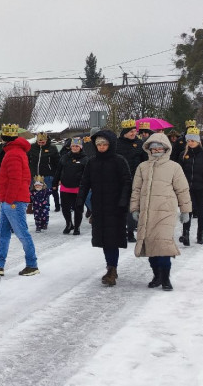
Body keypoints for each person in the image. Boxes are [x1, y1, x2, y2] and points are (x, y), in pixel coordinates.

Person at [130, 133, 192, 291]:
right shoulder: (142, 167)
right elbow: (136, 190)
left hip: (165, 211)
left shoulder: (174, 167)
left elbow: (183, 190)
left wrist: (186, 211)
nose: (156, 150)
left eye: (159, 147)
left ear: (166, 149)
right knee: (150, 245)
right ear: (149, 150)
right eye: (153, 148)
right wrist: (135, 208)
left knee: (163, 244)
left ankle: (165, 278)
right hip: (147, 212)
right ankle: (156, 275)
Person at [78, 129, 132, 287]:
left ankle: (112, 269)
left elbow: (127, 182)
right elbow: (85, 182)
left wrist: (123, 201)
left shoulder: (119, 161)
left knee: (112, 240)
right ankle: (110, 265)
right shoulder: (92, 162)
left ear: (111, 144)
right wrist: (80, 200)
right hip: (99, 206)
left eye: (104, 144)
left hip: (115, 207)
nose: (101, 147)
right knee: (103, 239)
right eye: (98, 144)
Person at [0, 124, 40, 277]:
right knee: (3, 232)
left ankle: (32, 265)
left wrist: (9, 200)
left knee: (22, 233)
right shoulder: (15, 151)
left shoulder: (13, 153)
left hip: (13, 201)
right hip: (10, 200)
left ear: (4, 138)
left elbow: (15, 179)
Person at [178, 121, 203, 246]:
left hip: (201, 188)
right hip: (187, 188)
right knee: (187, 211)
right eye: (188, 141)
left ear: (198, 141)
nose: (190, 143)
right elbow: (179, 171)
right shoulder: (183, 154)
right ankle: (186, 235)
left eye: (193, 141)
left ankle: (200, 235)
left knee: (201, 211)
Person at [115, 119, 143, 243]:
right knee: (122, 206)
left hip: (136, 179)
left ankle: (130, 231)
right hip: (120, 180)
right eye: (131, 131)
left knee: (133, 206)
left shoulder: (140, 143)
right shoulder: (117, 144)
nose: (133, 133)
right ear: (125, 132)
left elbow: (145, 160)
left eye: (134, 131)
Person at [54, 138, 87, 235]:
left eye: (77, 146)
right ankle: (69, 224)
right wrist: (55, 183)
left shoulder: (85, 159)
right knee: (65, 208)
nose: (75, 148)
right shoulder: (64, 157)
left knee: (78, 209)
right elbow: (58, 171)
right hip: (65, 187)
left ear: (80, 147)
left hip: (78, 188)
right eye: (73, 146)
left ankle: (77, 227)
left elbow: (88, 175)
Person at [28, 132, 60, 212]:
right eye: (39, 142)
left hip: (47, 175)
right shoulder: (32, 147)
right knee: (35, 194)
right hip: (35, 175)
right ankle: (37, 211)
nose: (41, 144)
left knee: (45, 195)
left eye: (43, 142)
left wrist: (56, 176)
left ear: (46, 140)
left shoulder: (52, 148)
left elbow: (57, 162)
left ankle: (44, 213)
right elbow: (27, 159)